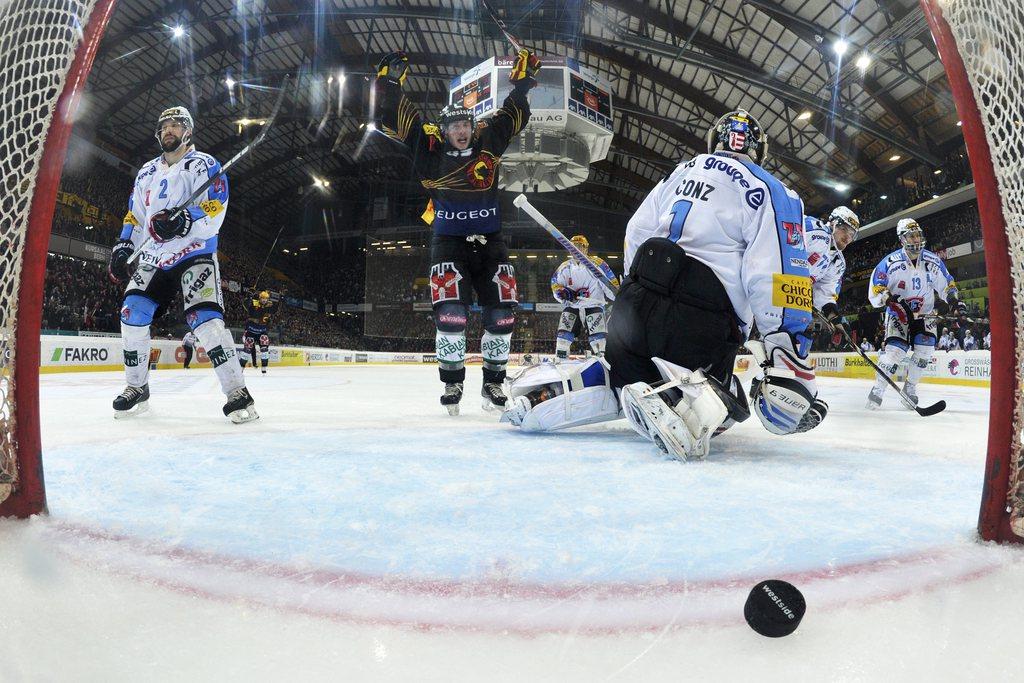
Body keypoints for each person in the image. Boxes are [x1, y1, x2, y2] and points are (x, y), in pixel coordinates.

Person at [503, 110, 825, 460]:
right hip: (697, 323)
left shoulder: (679, 173)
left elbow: (636, 232)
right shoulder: (771, 189)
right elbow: (776, 271)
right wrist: (787, 348)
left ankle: (543, 396)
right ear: (759, 150)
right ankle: (681, 401)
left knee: (621, 375)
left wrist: (631, 290)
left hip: (633, 308)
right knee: (731, 403)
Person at [374, 47, 540, 415]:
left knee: (503, 316)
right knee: (452, 314)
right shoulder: (428, 151)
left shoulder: (489, 144)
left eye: (466, 125)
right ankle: (452, 384)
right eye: (455, 127)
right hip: (448, 244)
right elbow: (405, 120)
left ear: (472, 127)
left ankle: (493, 385)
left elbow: (512, 117)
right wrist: (389, 84)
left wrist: (524, 83)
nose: (462, 131)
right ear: (445, 131)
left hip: (491, 244)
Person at [107, 106, 256, 423]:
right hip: (155, 255)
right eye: (164, 127)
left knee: (204, 320)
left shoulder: (204, 164)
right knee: (132, 312)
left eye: (175, 125)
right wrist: (123, 246)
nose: (168, 131)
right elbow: (135, 215)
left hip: (194, 250)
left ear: (188, 132)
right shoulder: (146, 172)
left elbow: (216, 204)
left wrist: (185, 219)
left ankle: (238, 394)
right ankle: (137, 388)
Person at [866, 218, 964, 409]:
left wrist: (953, 302)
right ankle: (878, 389)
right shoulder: (890, 262)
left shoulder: (932, 260)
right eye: (911, 235)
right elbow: (876, 287)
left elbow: (947, 283)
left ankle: (910, 388)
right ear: (902, 239)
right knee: (895, 352)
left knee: (925, 352)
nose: (916, 238)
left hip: (925, 314)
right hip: (898, 314)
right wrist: (889, 300)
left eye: (918, 234)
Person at [550, 235, 619, 360]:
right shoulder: (565, 267)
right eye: (573, 246)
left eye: (579, 246)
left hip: (593, 305)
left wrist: (617, 295)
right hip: (573, 306)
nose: (576, 249)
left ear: (586, 248)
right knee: (563, 339)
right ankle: (561, 361)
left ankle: (602, 361)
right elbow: (555, 285)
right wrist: (562, 293)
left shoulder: (597, 263)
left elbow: (611, 284)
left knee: (599, 342)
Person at [803, 206, 860, 336]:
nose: (847, 237)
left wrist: (835, 319)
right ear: (833, 223)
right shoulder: (814, 230)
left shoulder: (838, 262)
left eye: (852, 234)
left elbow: (825, 292)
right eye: (844, 229)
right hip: (765, 278)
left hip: (789, 294)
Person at [241, 290, 275, 373]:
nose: (264, 300)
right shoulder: (254, 303)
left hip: (262, 331)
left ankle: (264, 366)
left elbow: (276, 309)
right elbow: (246, 304)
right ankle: (241, 366)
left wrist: (281, 298)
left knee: (264, 348)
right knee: (247, 349)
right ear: (260, 298)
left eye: (266, 298)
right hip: (251, 330)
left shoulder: (269, 306)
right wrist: (249, 297)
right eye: (262, 298)